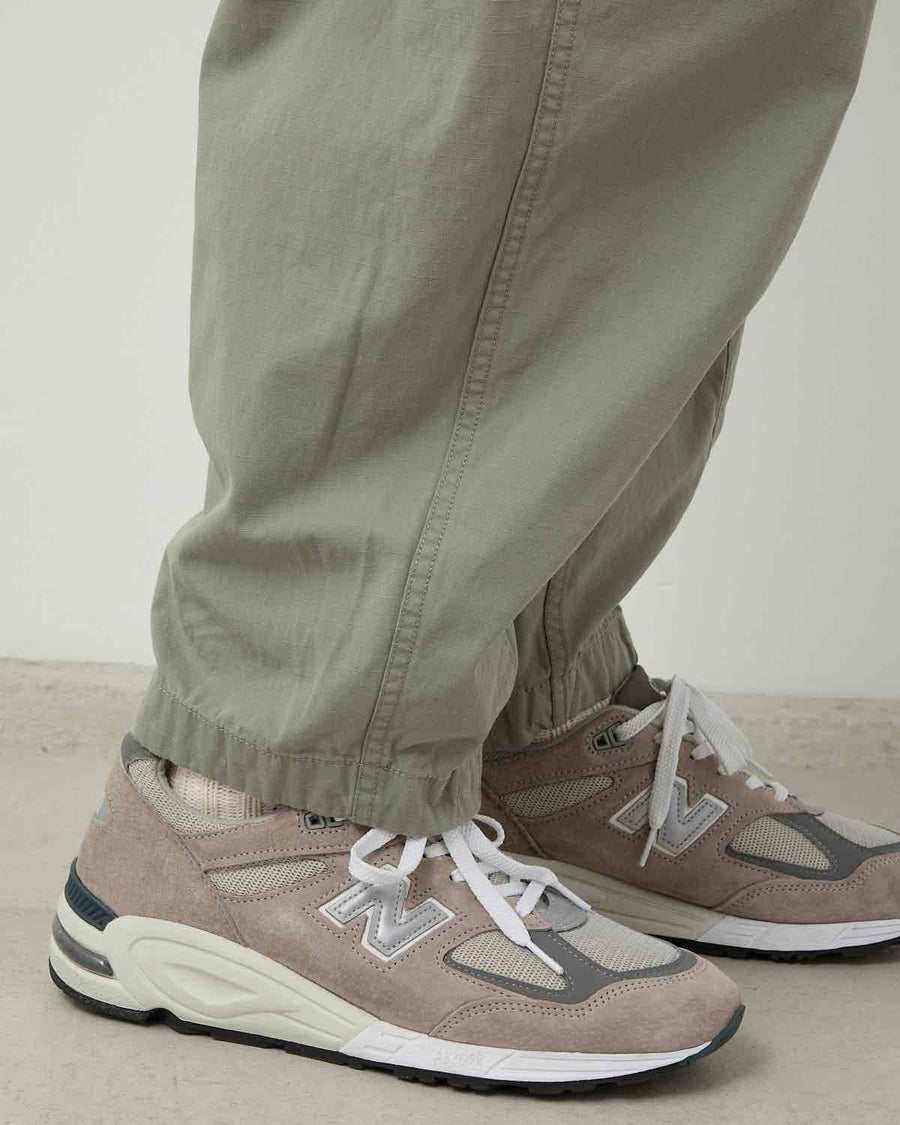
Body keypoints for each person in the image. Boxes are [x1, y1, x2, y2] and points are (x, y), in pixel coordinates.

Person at [49, 0, 895, 1094]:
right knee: (461, 46)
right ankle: (264, 791)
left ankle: (523, 730)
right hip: (278, 764)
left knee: (689, 64)